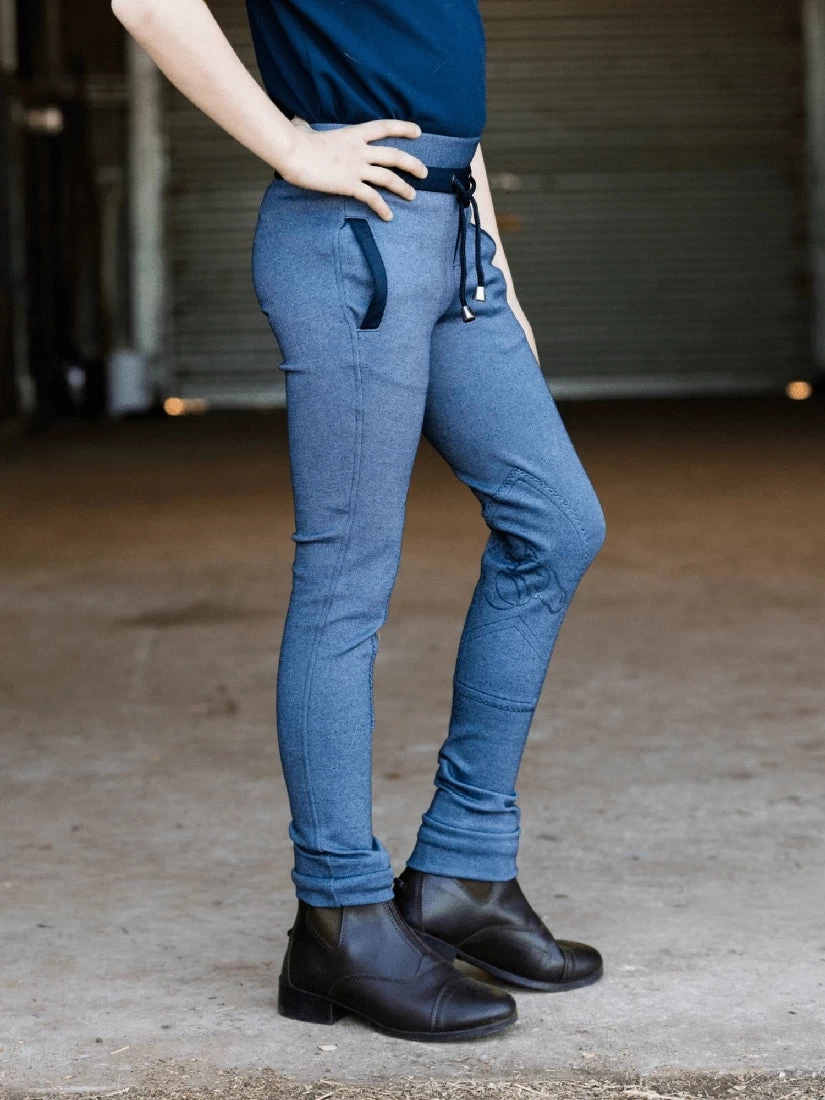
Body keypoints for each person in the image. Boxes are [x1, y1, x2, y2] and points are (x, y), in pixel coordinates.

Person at [112, 0, 608, 1043]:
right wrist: (291, 145)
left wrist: (493, 264)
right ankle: (336, 915)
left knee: (557, 524)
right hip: (353, 237)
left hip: (452, 233)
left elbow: (435, 73)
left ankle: (464, 870)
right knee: (346, 580)